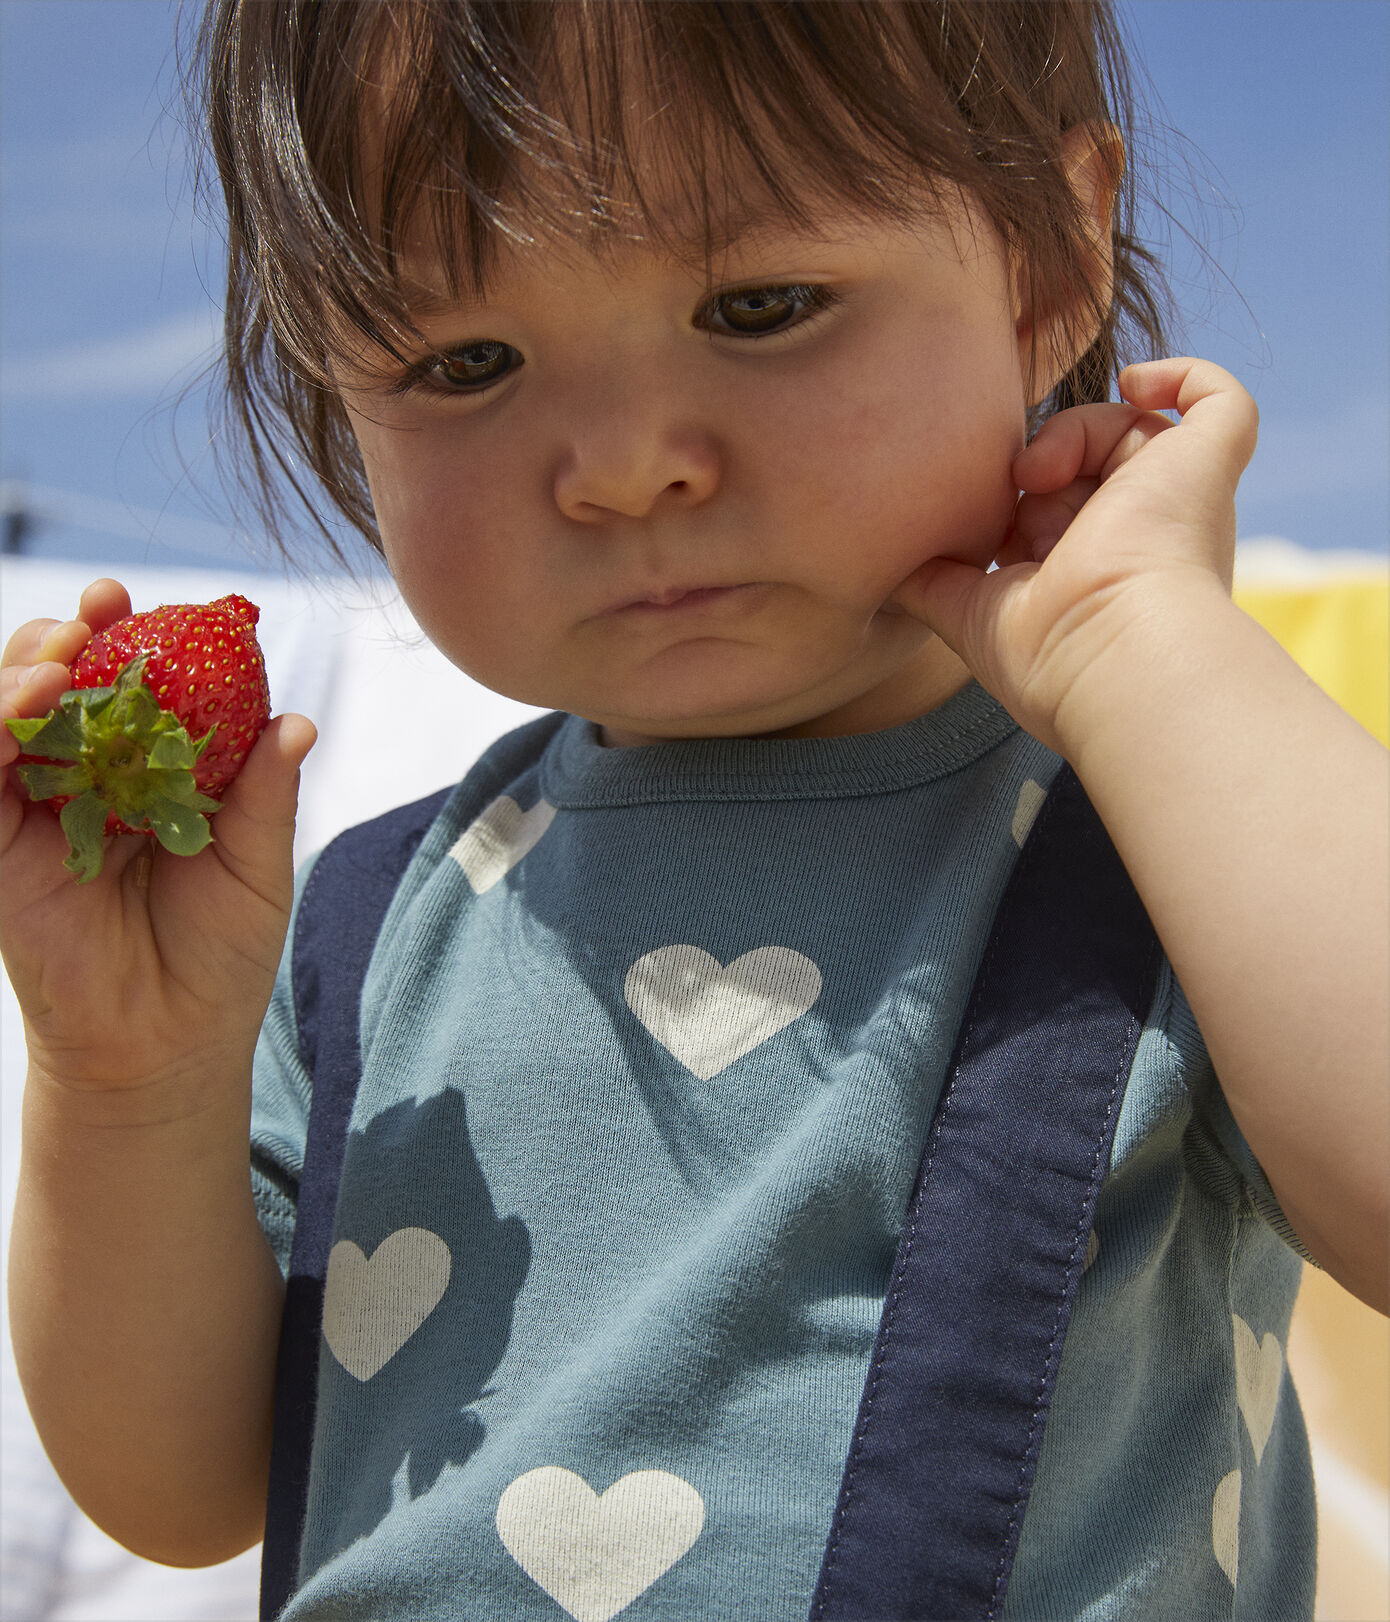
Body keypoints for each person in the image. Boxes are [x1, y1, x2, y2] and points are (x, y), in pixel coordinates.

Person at [2, 3, 1385, 1618]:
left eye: (758, 306)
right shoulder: (365, 929)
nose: (622, 463)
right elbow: (182, 1489)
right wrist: (125, 1077)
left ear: (1048, 262)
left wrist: (1139, 644)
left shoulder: (1188, 839)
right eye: (465, 361)